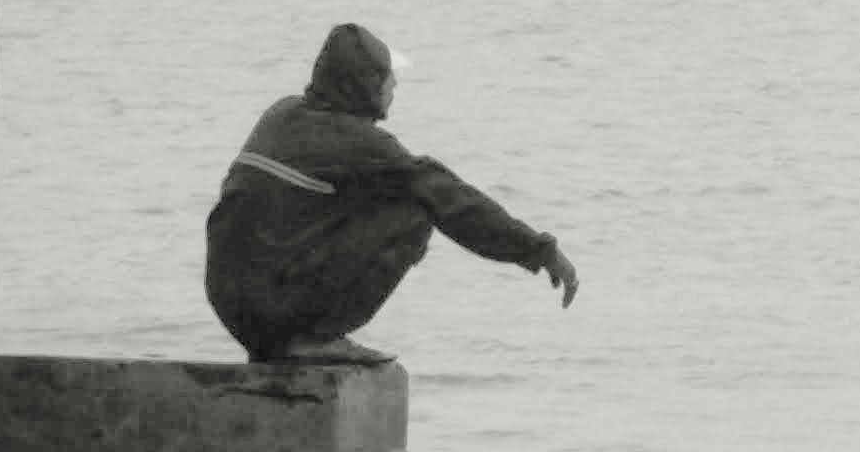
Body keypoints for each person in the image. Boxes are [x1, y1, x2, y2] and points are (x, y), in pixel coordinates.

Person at [203, 22, 579, 362]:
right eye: (388, 78)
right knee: (413, 212)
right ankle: (314, 337)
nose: (395, 86)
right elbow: (454, 202)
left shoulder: (280, 112)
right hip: (271, 305)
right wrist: (539, 249)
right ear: (364, 85)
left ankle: (289, 337)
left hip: (230, 301)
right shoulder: (362, 144)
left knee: (354, 202)